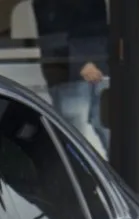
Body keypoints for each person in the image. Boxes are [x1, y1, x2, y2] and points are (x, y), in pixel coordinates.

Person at [31, 0, 109, 151]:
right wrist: (80, 62)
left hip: (96, 65)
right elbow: (51, 32)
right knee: (73, 136)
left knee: (109, 130)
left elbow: (102, 27)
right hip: (69, 70)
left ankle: (117, 173)